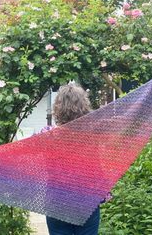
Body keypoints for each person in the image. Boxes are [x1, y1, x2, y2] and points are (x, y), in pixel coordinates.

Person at [45, 83, 100, 235]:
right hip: (87, 202)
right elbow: (97, 171)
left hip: (56, 203)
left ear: (58, 107)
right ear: (84, 105)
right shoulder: (93, 136)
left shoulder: (47, 135)